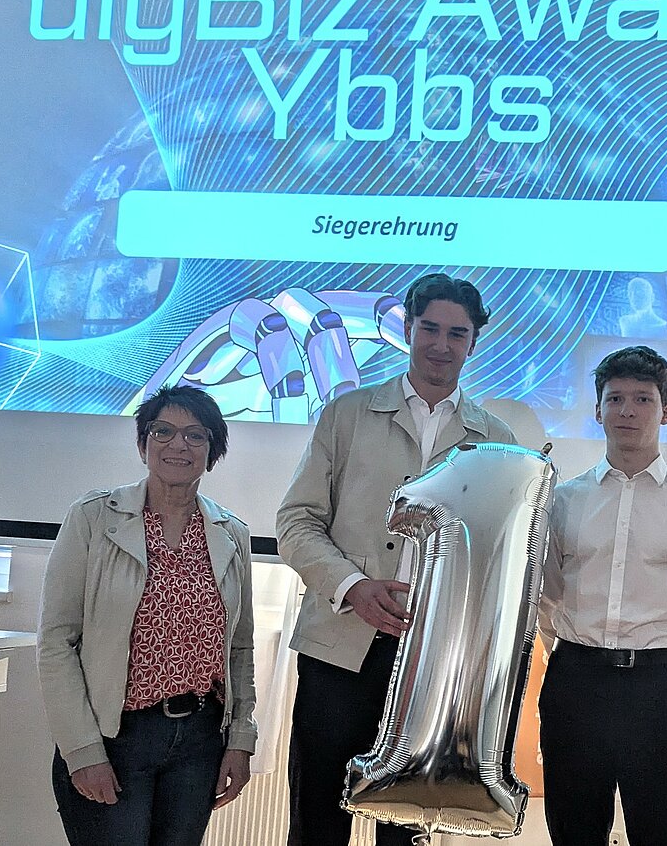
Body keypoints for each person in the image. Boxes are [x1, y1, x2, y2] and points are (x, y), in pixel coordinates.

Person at [276, 272, 517, 846]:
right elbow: (296, 522)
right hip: (339, 649)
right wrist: (354, 586)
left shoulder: (496, 441)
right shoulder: (346, 414)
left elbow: (499, 564)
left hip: (436, 666)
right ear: (407, 328)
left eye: (456, 334)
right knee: (317, 818)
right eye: (429, 328)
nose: (441, 344)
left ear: (473, 342)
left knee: (406, 829)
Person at [38, 385, 256, 846]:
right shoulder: (94, 518)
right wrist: (82, 749)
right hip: (116, 738)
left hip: (199, 742)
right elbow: (57, 642)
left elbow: (239, 647)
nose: (178, 444)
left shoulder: (231, 533)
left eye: (195, 435)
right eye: (163, 431)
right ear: (143, 444)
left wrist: (241, 739)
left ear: (212, 452)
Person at [537, 345, 667, 846]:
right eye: (616, 398)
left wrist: (665, 674)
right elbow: (546, 596)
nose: (627, 411)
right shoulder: (562, 501)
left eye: (643, 399)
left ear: (665, 411)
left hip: (655, 689)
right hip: (575, 684)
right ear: (597, 410)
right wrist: (575, 658)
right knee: (573, 832)